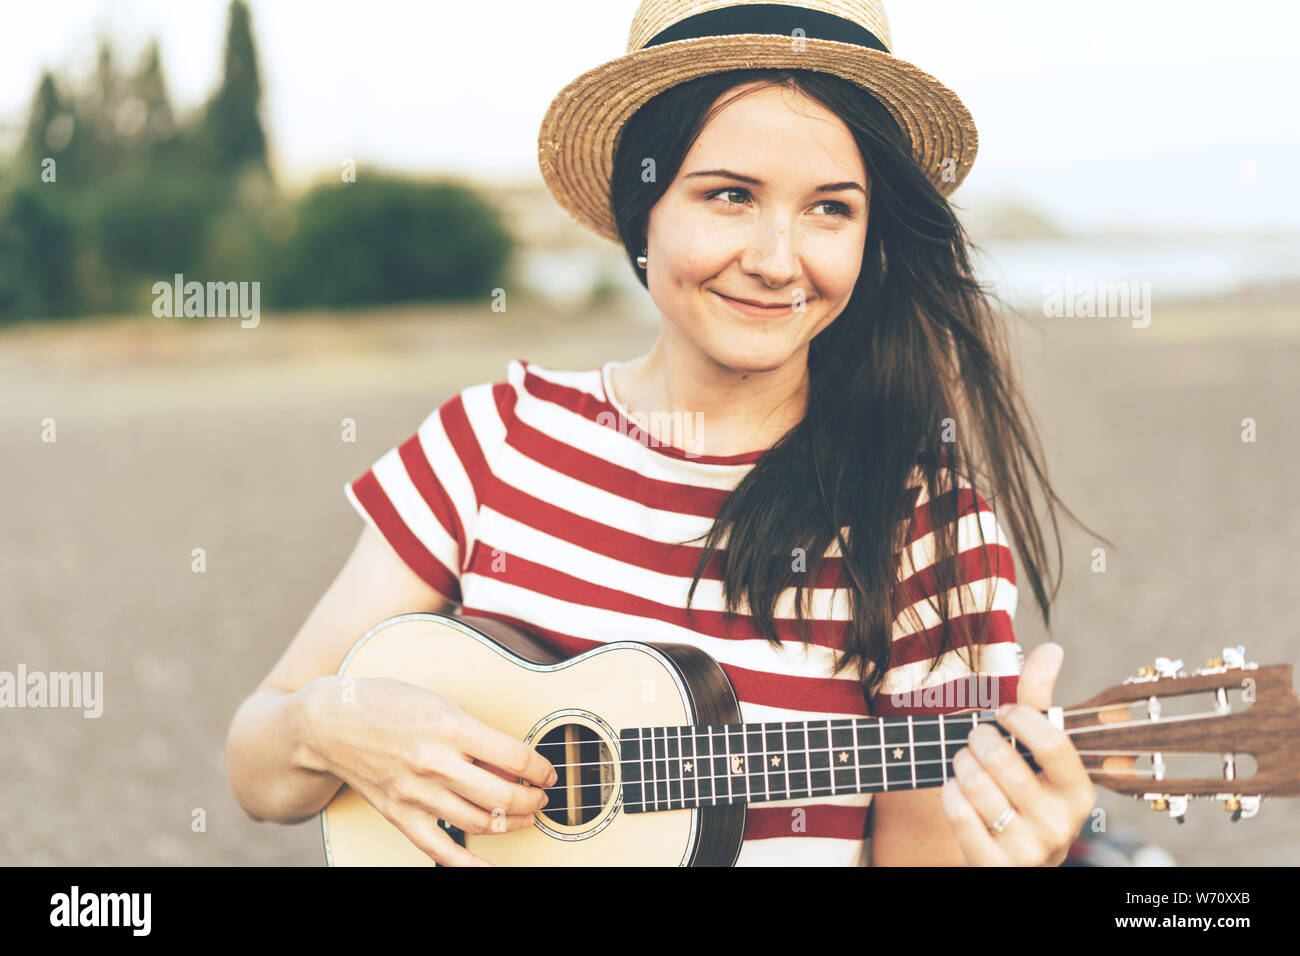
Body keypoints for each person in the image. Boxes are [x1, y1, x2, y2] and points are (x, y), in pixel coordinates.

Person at [226, 0, 1127, 866]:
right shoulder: (490, 442)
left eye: (830, 208)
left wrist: (1015, 858)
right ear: (641, 208)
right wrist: (330, 723)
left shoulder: (925, 532)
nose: (779, 260)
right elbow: (257, 765)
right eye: (730, 195)